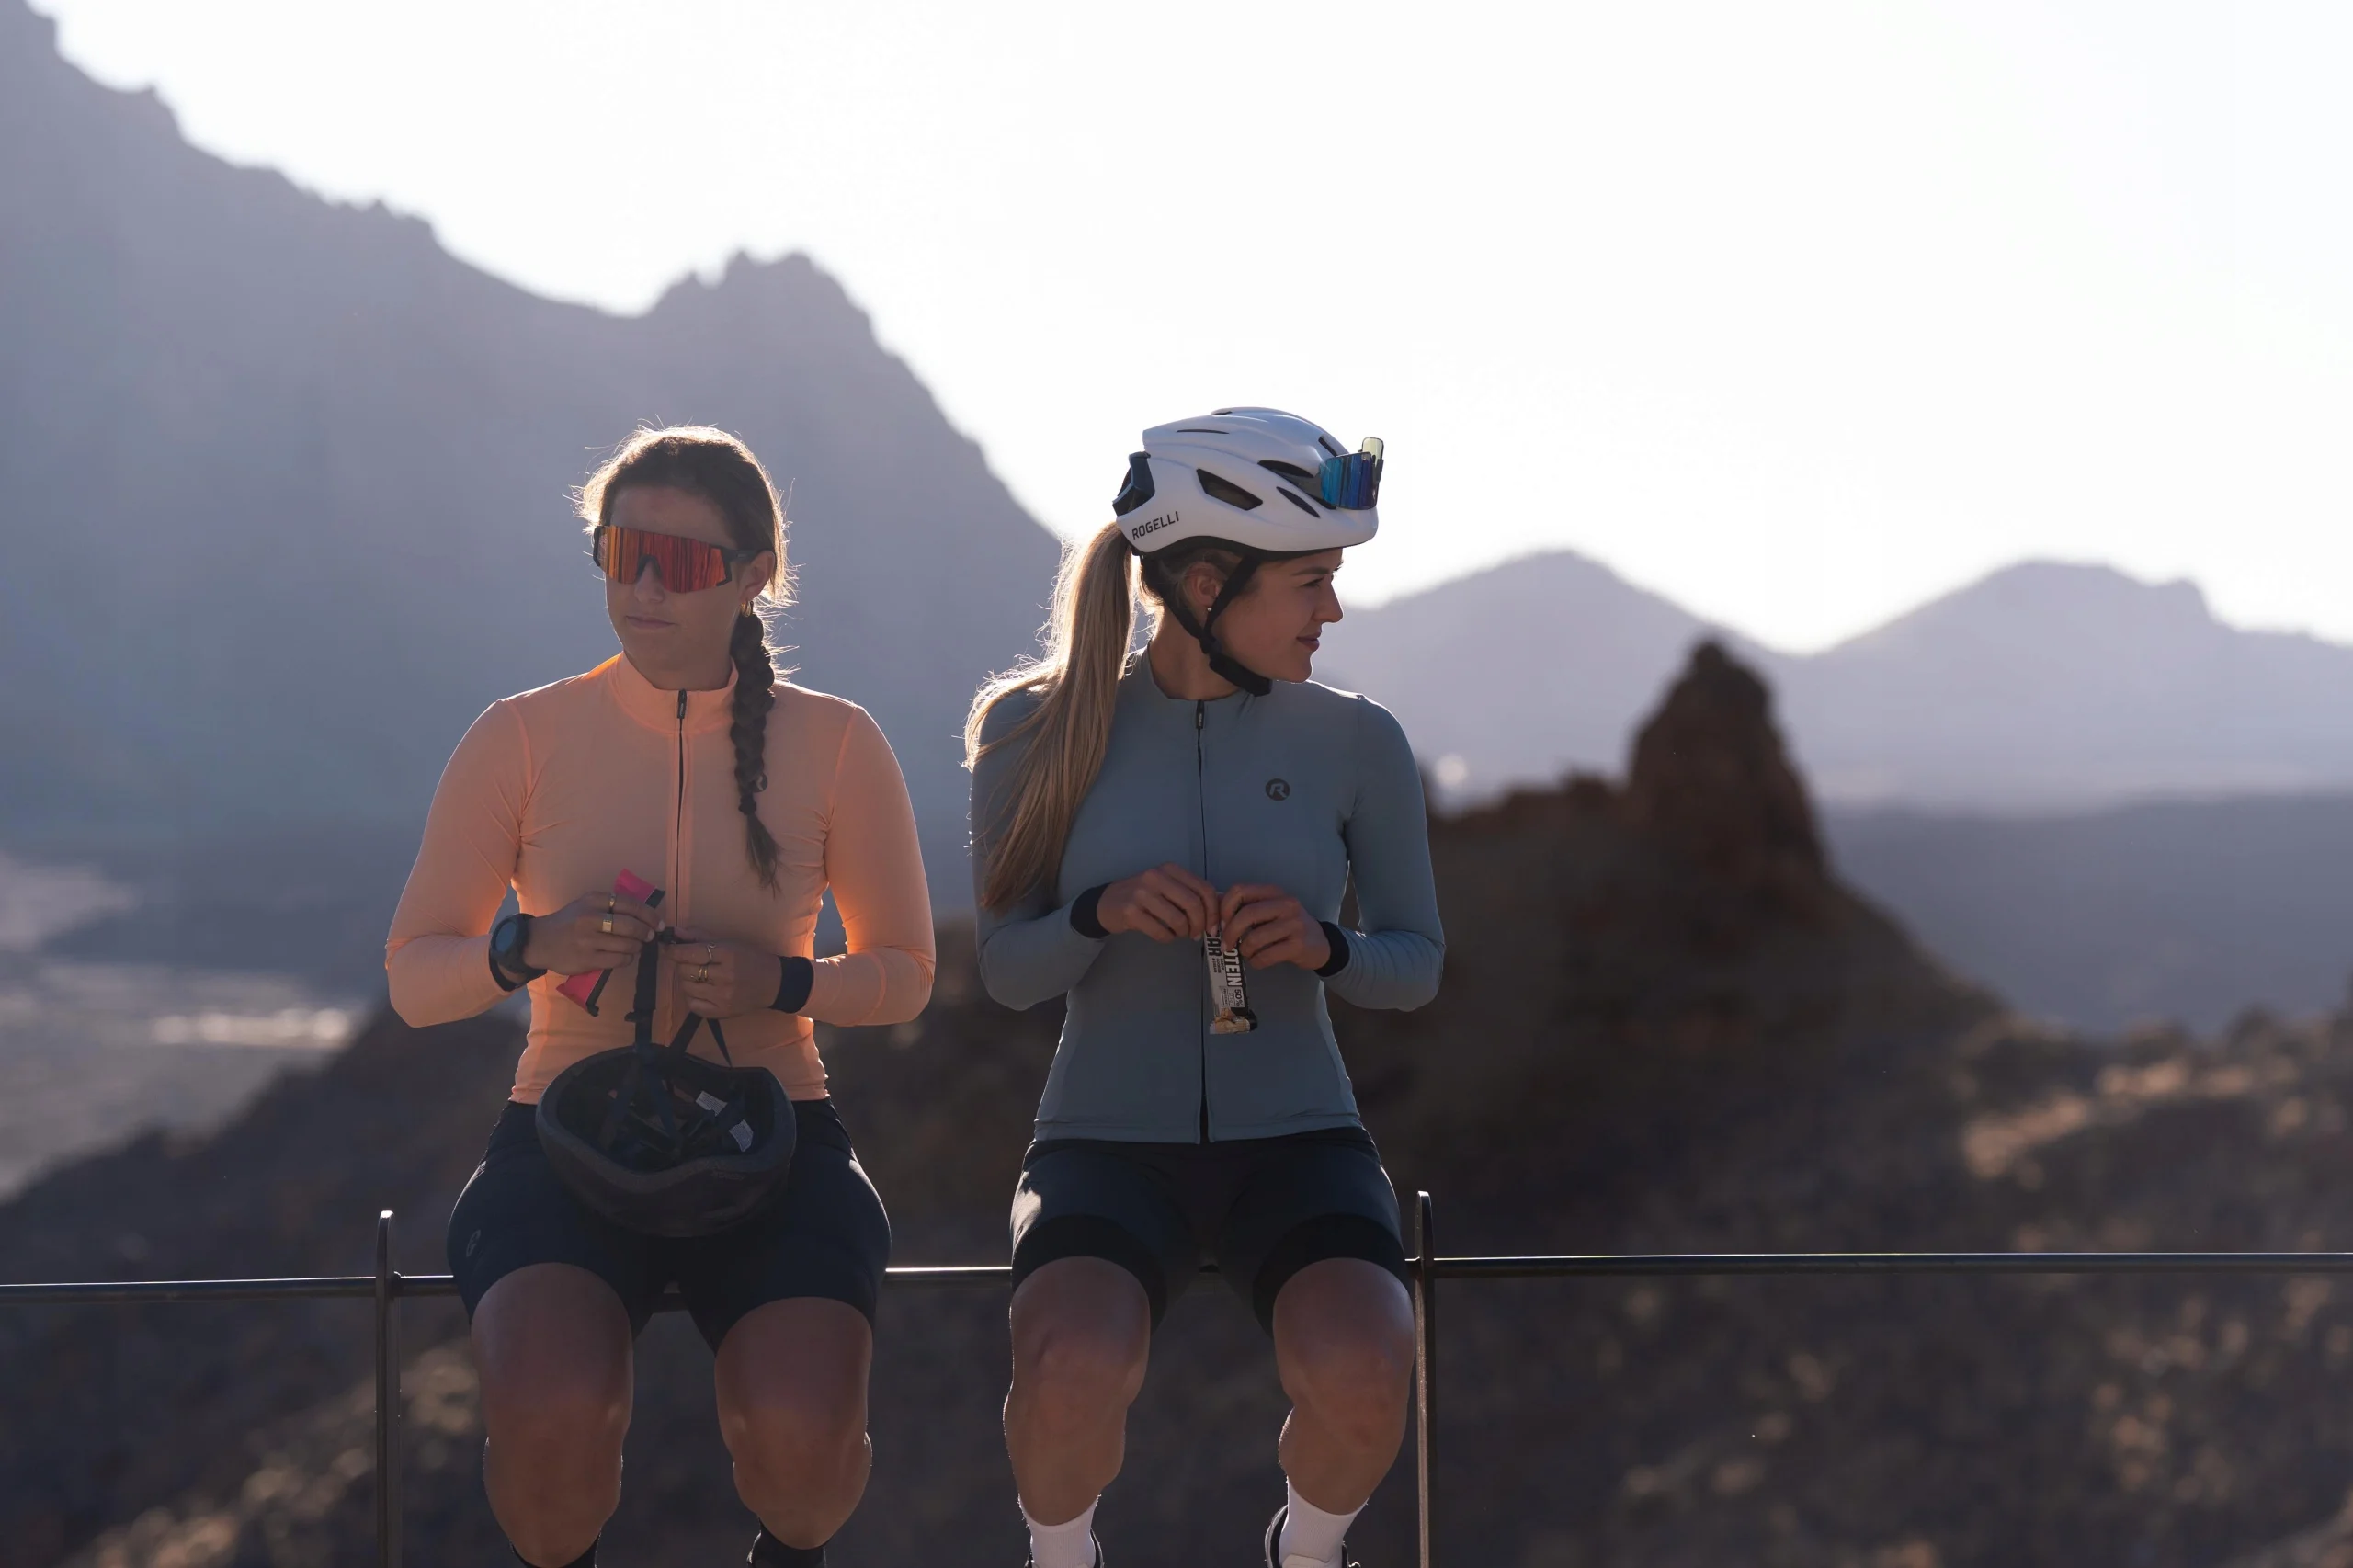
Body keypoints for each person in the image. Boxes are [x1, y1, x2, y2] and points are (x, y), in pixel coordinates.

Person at [387, 426, 934, 1568]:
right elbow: (414, 978)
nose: (641, 585)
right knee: (548, 1429)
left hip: (776, 1130)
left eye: (679, 562)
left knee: (805, 1453)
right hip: (562, 1126)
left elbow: (905, 973)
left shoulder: (838, 743)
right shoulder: (519, 735)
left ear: (752, 575)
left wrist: (780, 981)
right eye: (619, 550)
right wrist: (527, 945)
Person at [966, 409, 1444, 1568]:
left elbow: (1416, 964)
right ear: (1203, 583)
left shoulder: (1358, 739)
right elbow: (1007, 972)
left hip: (1299, 1135)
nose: (1332, 611)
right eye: (1310, 582)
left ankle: (1307, 1553)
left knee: (1369, 1365)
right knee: (1067, 1364)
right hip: (1103, 1140)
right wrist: (1098, 913)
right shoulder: (1034, 727)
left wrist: (1325, 947)